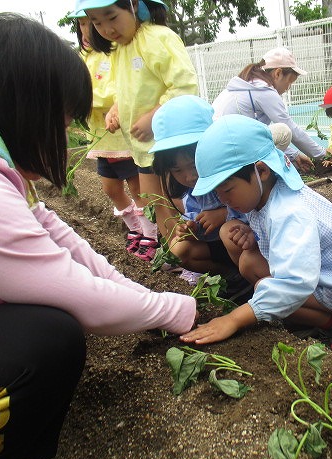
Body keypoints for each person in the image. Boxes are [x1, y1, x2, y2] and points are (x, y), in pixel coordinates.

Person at [0, 14, 196, 459]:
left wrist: (143, 296)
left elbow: (56, 236)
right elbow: (72, 293)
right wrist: (179, 311)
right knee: (45, 339)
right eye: (61, 121)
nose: (63, 138)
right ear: (23, 105)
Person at [180, 115, 332, 359]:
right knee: (249, 263)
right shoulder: (266, 193)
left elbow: (294, 283)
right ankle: (297, 312)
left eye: (227, 190)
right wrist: (253, 234)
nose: (222, 200)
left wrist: (235, 319)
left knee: (263, 285)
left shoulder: (289, 213)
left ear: (262, 171)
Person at [75, 0, 199, 261]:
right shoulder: (121, 49)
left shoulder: (158, 38)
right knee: (158, 206)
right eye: (97, 22)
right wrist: (117, 109)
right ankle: (179, 259)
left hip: (175, 149)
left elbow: (184, 86)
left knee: (182, 205)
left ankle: (199, 257)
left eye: (111, 17)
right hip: (144, 149)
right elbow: (128, 90)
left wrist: (153, 116)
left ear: (133, 5)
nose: (107, 29)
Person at [74, 13, 158, 260]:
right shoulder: (84, 57)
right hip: (101, 138)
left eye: (91, 24)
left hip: (121, 136)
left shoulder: (114, 53)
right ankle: (135, 229)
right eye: (83, 24)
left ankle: (151, 236)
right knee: (110, 188)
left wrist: (89, 100)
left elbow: (119, 90)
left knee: (137, 187)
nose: (87, 30)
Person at [149, 95, 247, 286]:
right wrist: (190, 226)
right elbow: (194, 213)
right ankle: (230, 276)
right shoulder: (191, 190)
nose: (189, 177)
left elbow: (255, 209)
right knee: (178, 249)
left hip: (247, 243)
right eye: (177, 170)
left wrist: (223, 214)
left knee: (229, 230)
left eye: (193, 165)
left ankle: (249, 277)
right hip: (221, 247)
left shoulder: (232, 175)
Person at [211, 47, 327, 171]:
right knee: (283, 131)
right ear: (278, 73)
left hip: (218, 148)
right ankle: (259, 173)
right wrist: (323, 154)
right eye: (289, 82)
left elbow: (258, 135)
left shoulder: (247, 85)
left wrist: (294, 155)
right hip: (232, 149)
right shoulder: (264, 90)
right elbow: (291, 129)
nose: (288, 88)